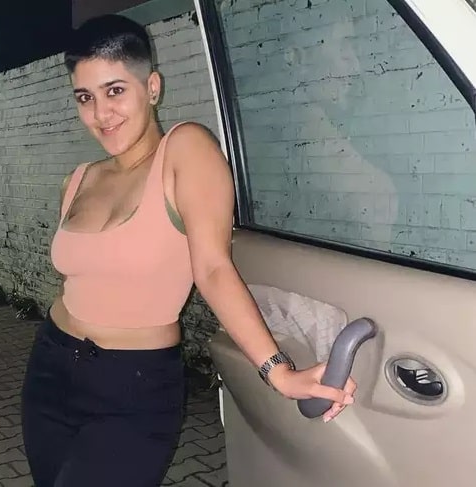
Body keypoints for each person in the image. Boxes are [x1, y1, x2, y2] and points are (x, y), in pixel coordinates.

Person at [20, 13, 357, 487]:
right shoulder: (77, 181)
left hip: (132, 387)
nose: (101, 113)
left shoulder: (185, 150)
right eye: (85, 97)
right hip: (51, 368)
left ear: (152, 87)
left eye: (115, 90)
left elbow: (214, 269)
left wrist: (278, 371)